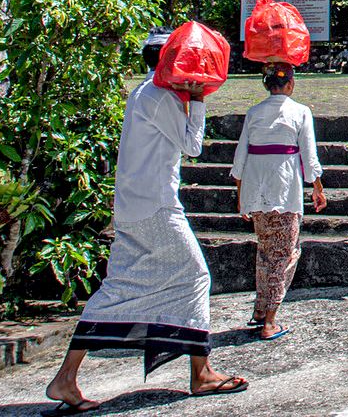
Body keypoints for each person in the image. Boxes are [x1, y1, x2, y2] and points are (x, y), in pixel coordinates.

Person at [45, 63, 246, 412]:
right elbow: (192, 145)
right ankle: (202, 372)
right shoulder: (161, 97)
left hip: (132, 205)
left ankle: (66, 376)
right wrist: (197, 101)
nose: (193, 80)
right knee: (196, 277)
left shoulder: (143, 92)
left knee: (119, 287)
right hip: (156, 206)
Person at [231, 62, 325, 341]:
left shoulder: (254, 113)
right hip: (283, 190)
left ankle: (261, 309)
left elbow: (240, 159)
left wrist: (241, 197)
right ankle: (269, 320)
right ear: (291, 84)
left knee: (266, 251)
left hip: (256, 189)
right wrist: (317, 187)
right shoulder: (300, 112)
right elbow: (309, 156)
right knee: (283, 255)